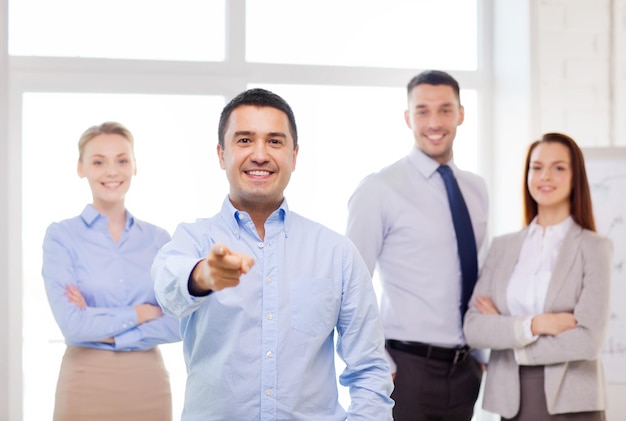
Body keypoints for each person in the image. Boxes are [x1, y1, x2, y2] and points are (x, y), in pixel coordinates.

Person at [152, 87, 394, 420]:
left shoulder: (336, 253)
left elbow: (369, 367)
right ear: (221, 154)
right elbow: (168, 288)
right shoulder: (193, 239)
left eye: (275, 141)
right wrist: (202, 276)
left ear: (294, 155)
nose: (260, 154)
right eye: (244, 140)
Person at [346, 70, 488, 420]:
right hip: (407, 370)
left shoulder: (476, 189)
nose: (434, 122)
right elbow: (351, 284)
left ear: (461, 114)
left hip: (465, 370)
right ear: (408, 118)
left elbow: (476, 272)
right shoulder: (380, 188)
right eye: (422, 111)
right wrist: (379, 364)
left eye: (445, 109)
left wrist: (480, 356)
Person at [463, 132, 612, 421]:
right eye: (537, 167)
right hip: (512, 401)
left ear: (575, 176)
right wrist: (537, 324)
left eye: (559, 167)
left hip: (574, 401)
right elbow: (474, 328)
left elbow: (589, 340)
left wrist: (512, 342)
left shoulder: (594, 248)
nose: (546, 176)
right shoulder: (502, 247)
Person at [42, 122, 181, 421]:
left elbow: (180, 323)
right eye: (98, 161)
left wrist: (103, 329)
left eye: (122, 160)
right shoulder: (61, 236)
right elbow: (73, 326)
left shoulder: (158, 239)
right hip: (85, 380)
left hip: (149, 382)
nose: (112, 171)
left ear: (134, 166)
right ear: (81, 168)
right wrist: (142, 312)